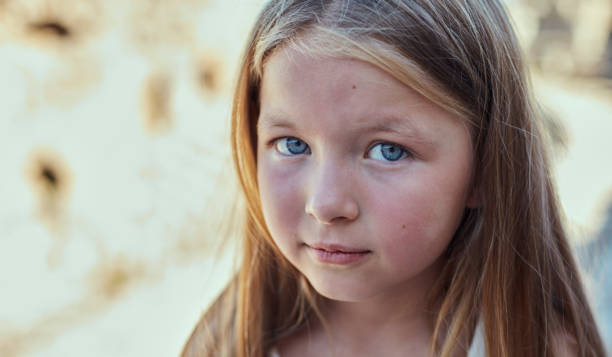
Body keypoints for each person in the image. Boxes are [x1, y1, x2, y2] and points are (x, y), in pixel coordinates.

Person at [182, 0, 606, 356]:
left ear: (485, 168)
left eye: (389, 151)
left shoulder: (538, 349)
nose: (326, 204)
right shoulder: (225, 343)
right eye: (293, 145)